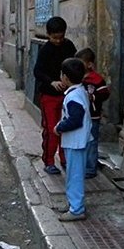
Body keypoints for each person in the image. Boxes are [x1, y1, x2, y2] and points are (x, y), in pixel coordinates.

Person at [33, 16, 77, 175]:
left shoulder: (69, 46)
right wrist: (52, 82)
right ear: (48, 35)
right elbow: (37, 71)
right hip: (49, 96)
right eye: (54, 38)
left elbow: (75, 66)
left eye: (61, 37)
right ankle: (49, 160)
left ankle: (64, 158)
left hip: (67, 95)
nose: (58, 41)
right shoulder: (45, 50)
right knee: (52, 129)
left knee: (66, 128)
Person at [54, 58, 92, 221]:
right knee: (72, 174)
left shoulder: (74, 97)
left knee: (74, 176)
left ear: (65, 78)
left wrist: (59, 127)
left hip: (76, 142)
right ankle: (73, 203)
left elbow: (75, 120)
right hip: (77, 141)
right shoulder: (79, 92)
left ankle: (76, 209)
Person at [75, 48, 111, 179]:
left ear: (89, 64)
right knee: (83, 141)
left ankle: (90, 168)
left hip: (93, 116)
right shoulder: (78, 78)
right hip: (81, 116)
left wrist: (93, 97)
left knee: (91, 142)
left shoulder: (96, 79)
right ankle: (85, 164)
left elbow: (105, 93)